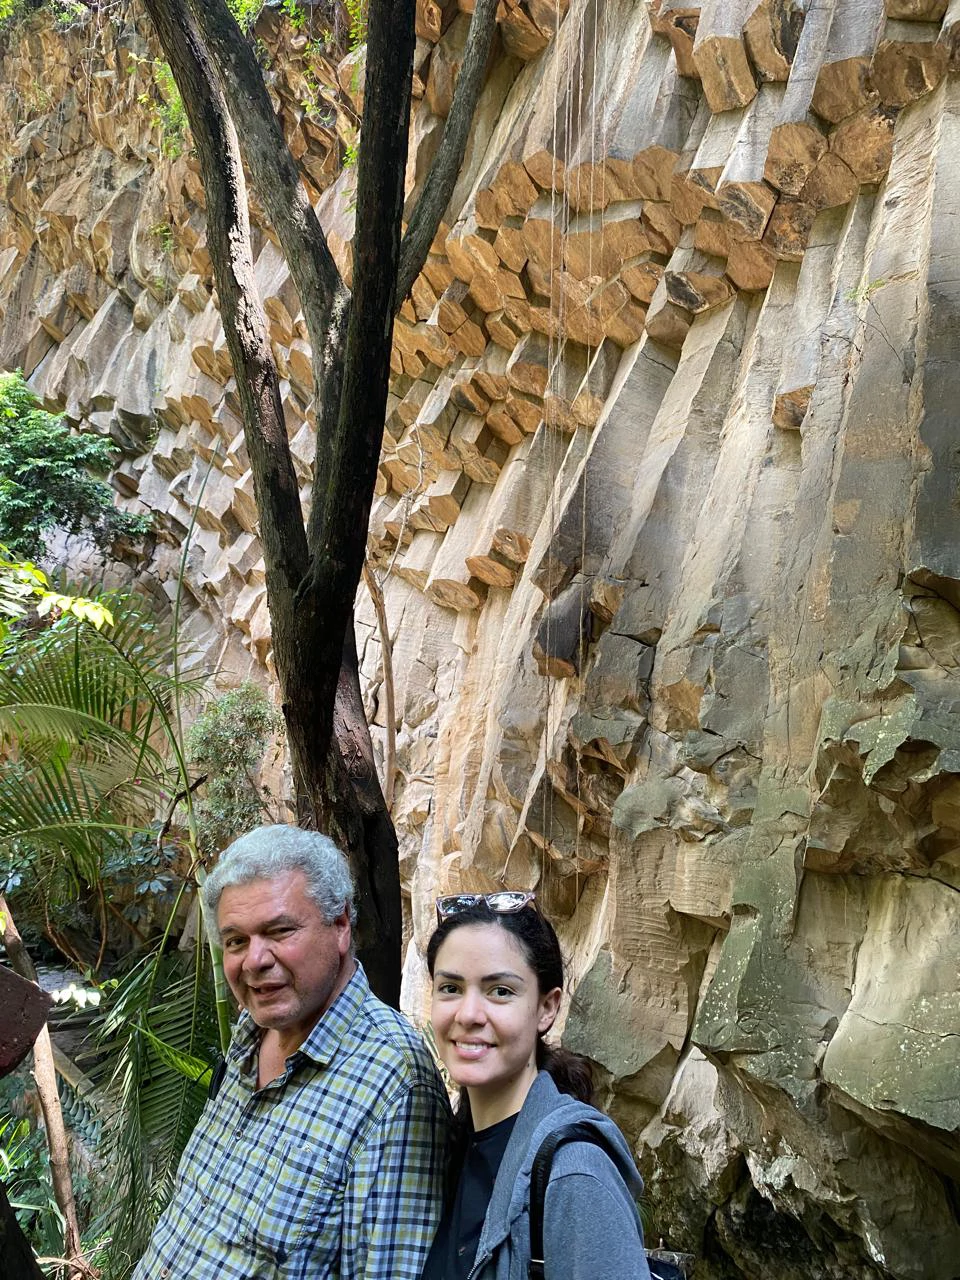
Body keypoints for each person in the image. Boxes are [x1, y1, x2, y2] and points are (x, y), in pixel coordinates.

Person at [133, 824, 451, 1280]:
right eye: (236, 941)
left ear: (340, 925)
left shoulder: (394, 1084)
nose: (254, 960)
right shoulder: (252, 1031)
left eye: (279, 931)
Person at [420, 892, 651, 1280]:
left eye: (500, 991)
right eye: (451, 988)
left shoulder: (574, 1174)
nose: (469, 1013)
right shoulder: (451, 1150)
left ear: (547, 1008)